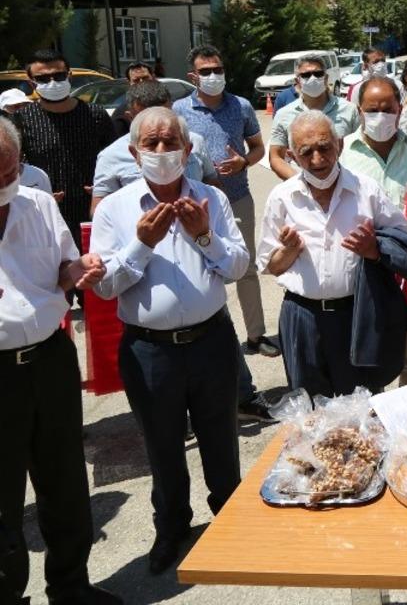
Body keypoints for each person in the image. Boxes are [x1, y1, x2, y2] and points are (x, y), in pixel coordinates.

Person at [91, 107, 249, 575]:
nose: (162, 152)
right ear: (134, 152)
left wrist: (204, 238)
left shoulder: (212, 201)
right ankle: (173, 527)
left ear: (188, 148)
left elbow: (238, 267)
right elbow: (103, 287)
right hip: (150, 350)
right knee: (162, 445)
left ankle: (232, 520)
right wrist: (140, 244)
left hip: (212, 340)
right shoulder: (116, 210)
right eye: (152, 144)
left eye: (170, 142)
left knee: (221, 437)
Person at [0, 120, 121, 605]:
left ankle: (71, 588)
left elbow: (63, 269)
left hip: (49, 360)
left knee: (65, 482)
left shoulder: (38, 204)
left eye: (7, 171)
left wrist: (80, 270)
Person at [258, 111, 407, 397]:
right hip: (302, 317)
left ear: (339, 145)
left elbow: (404, 243)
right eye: (306, 152)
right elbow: (273, 267)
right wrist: (290, 250)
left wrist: (374, 249)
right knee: (311, 413)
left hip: (356, 315)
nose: (317, 159)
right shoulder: (282, 198)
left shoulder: (366, 190)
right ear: (291, 155)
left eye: (324, 147)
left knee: (363, 408)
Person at [175, 47, 279, 370]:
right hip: (195, 206)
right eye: (205, 71)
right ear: (193, 77)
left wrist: (244, 161)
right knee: (202, 269)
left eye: (217, 69)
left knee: (245, 267)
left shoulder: (242, 106)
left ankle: (256, 334)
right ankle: (212, 336)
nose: (213, 76)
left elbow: (259, 148)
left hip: (237, 198)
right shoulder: (179, 109)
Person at [341, 76, 407, 394]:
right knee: (368, 359)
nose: (381, 116)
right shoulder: (342, 155)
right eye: (373, 109)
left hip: (406, 272)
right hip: (360, 273)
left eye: (388, 108)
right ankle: (375, 433)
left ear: (400, 109)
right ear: (359, 111)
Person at [15, 49, 115, 249]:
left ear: (69, 75)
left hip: (93, 212)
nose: (52, 82)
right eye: (43, 78)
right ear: (31, 81)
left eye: (59, 76)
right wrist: (34, 193)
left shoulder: (95, 114)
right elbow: (16, 168)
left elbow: (114, 159)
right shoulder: (23, 120)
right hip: (44, 215)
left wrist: (107, 189)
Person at [93, 80, 218, 210]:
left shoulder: (195, 142)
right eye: (146, 118)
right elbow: (99, 210)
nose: (161, 150)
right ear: (130, 117)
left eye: (163, 114)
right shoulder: (111, 156)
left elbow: (212, 183)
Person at [268, 54, 359, 180]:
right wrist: (303, 182)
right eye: (306, 75)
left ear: (326, 78)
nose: (312, 78)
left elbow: (361, 149)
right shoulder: (283, 115)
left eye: (318, 74)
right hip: (302, 191)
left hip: (345, 185)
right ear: (297, 82)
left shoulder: (349, 110)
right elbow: (275, 157)